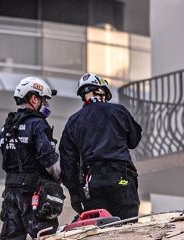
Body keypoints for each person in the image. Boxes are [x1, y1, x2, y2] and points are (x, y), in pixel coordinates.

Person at [60, 73, 143, 220]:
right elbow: (134, 140)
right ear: (102, 91)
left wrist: (75, 193)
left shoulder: (74, 121)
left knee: (99, 229)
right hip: (121, 177)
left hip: (92, 184)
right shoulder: (118, 111)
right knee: (128, 228)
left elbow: (68, 162)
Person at [0, 76, 65, 240]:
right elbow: (49, 160)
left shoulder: (8, 125)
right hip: (32, 191)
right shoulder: (38, 124)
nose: (46, 105)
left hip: (10, 191)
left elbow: (2, 147)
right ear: (34, 99)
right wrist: (63, 177)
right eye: (44, 100)